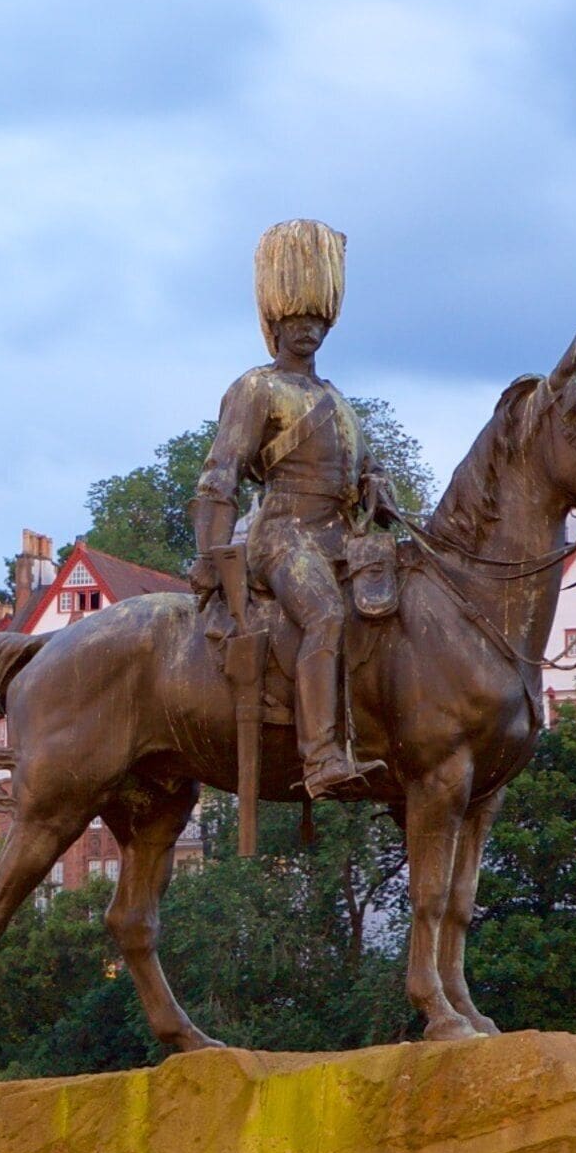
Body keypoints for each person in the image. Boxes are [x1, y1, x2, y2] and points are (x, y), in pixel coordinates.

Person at [191, 219, 402, 801]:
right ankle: (322, 758)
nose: (307, 330)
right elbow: (219, 478)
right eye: (295, 320)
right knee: (325, 614)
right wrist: (211, 555)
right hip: (283, 533)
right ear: (275, 323)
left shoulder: (338, 400)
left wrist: (378, 486)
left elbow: (365, 469)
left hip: (343, 534)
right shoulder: (256, 389)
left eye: (316, 320)